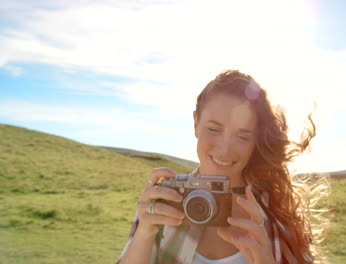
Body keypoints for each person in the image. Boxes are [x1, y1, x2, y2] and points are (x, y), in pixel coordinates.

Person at [117, 70, 327, 264]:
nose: (225, 150)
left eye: (243, 136)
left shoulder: (277, 216)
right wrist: (144, 232)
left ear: (256, 141)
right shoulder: (165, 199)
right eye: (214, 129)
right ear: (195, 123)